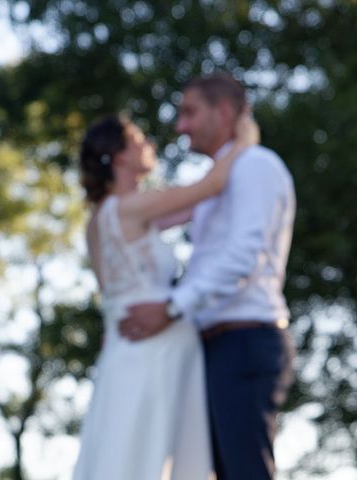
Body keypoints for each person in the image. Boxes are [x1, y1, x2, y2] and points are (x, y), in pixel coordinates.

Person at [120, 73, 296, 480]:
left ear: (223, 112)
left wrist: (171, 308)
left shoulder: (255, 166)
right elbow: (150, 220)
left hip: (245, 340)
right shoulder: (214, 182)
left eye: (189, 113)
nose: (180, 126)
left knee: (245, 471)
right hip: (216, 347)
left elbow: (242, 257)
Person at [73, 110, 259, 480]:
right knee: (148, 456)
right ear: (121, 155)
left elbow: (195, 206)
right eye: (140, 140)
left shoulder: (100, 220)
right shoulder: (130, 207)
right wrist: (246, 141)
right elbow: (210, 188)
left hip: (123, 352)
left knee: (125, 450)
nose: (150, 145)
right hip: (155, 348)